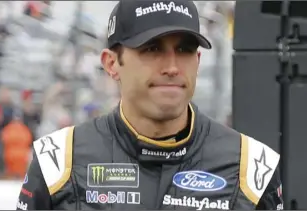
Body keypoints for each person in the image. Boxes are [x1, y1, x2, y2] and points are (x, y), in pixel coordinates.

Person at [17, 1, 283, 210]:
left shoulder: (252, 166)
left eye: (185, 50)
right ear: (111, 63)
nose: (172, 67)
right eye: (152, 49)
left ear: (199, 61)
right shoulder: (59, 160)